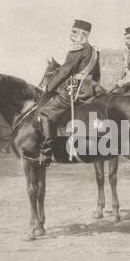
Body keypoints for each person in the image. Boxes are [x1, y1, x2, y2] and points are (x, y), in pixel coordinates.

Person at [38, 19, 101, 166]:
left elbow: (65, 71)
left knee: (46, 113)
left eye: (74, 32)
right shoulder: (94, 51)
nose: (71, 35)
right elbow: (96, 76)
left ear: (82, 34)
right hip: (90, 90)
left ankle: (46, 152)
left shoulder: (78, 49)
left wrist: (48, 88)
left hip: (77, 91)